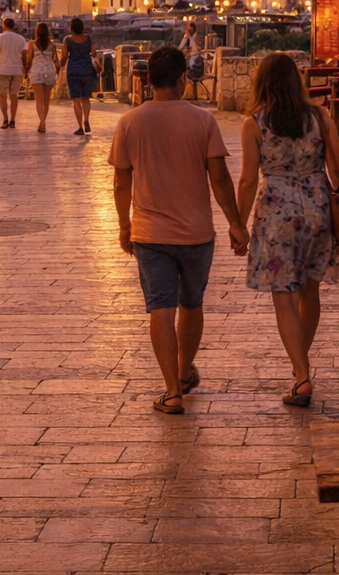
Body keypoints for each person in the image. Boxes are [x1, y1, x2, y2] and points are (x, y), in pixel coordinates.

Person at [108, 46, 247, 415]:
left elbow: (121, 184)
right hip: (196, 233)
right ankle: (185, 371)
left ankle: (172, 390)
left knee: (160, 309)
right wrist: (235, 222)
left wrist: (124, 223)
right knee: (192, 303)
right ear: (183, 79)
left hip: (150, 233)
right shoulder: (202, 121)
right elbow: (219, 178)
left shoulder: (130, 122)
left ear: (148, 80)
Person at [235, 52, 339, 408]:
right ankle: (301, 369)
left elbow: (249, 178)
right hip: (317, 208)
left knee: (283, 297)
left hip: (277, 212)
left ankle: (302, 375)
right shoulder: (320, 117)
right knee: (310, 293)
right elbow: (338, 170)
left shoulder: (254, 124)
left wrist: (238, 224)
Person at [59, 17, 98, 135]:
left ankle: (80, 127)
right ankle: (86, 119)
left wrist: (60, 65)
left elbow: (65, 56)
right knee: (86, 98)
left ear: (71, 28)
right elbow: (93, 52)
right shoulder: (88, 38)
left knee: (76, 100)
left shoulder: (68, 40)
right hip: (87, 70)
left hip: (73, 71)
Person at [0, 17, 28, 129]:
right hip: (17, 70)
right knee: (13, 95)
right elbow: (24, 56)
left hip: (3, 69)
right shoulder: (21, 39)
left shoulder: (0, 37)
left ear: (4, 25)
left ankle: (5, 119)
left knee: (2, 95)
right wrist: (25, 68)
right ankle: (13, 120)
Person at [23, 22, 59, 133]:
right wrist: (57, 73)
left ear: (37, 32)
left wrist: (26, 72)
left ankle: (42, 123)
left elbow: (29, 60)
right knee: (46, 101)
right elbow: (56, 61)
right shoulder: (52, 45)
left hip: (36, 72)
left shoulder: (32, 44)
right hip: (49, 72)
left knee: (38, 101)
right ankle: (42, 122)